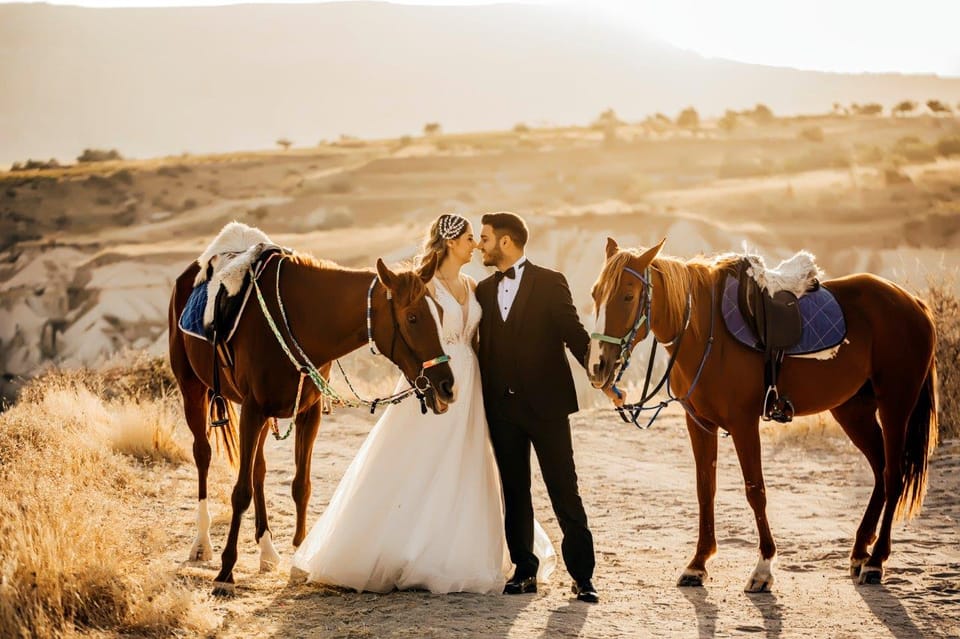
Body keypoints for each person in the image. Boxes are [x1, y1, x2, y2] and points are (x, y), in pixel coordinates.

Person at [290, 214, 556, 594]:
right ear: (450, 242)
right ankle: (406, 551)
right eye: (469, 238)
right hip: (434, 375)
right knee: (419, 461)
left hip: (471, 380)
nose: (476, 245)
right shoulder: (422, 286)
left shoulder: (471, 285)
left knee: (466, 464)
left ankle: (453, 550)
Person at [475, 211, 622, 604]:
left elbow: (575, 336)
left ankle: (583, 577)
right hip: (501, 410)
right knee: (515, 492)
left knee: (564, 491)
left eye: (485, 238)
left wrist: (604, 382)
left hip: (547, 408)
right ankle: (524, 571)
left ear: (506, 242)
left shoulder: (551, 281)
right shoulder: (482, 293)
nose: (480, 245)